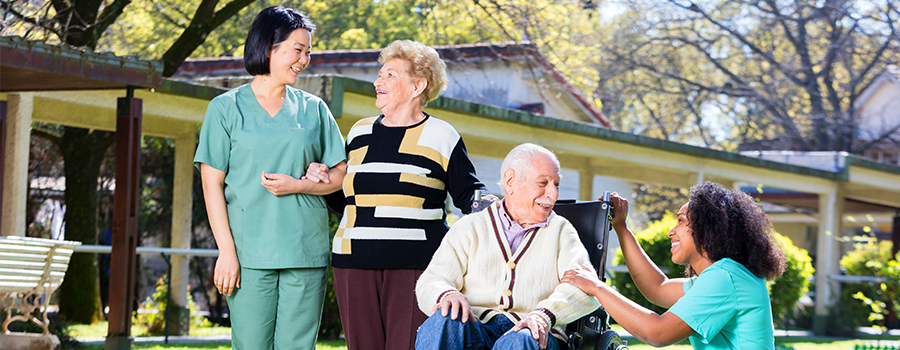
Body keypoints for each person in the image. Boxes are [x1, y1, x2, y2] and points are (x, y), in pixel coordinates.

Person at [304, 40, 489, 350]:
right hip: (353, 263)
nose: (378, 82)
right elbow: (348, 199)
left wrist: (498, 208)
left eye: (390, 75)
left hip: (415, 266)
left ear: (418, 85)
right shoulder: (360, 133)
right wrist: (320, 180)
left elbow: (469, 192)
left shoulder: (442, 135)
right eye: (380, 74)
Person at [193, 6, 346, 349]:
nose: (304, 59)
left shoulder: (314, 109)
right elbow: (211, 185)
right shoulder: (224, 109)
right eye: (297, 49)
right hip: (249, 255)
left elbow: (341, 175)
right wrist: (227, 252)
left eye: (308, 52)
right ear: (269, 46)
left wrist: (304, 183)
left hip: (305, 252)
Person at [414, 143, 601, 350]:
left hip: (530, 336)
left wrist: (543, 315)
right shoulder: (470, 227)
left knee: (520, 340)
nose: (553, 194)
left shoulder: (561, 231)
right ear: (511, 181)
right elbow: (432, 280)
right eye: (543, 183)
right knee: (444, 321)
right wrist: (447, 294)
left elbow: (586, 287)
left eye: (556, 184)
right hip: (476, 329)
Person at [561, 182, 787, 349]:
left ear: (708, 229)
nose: (671, 231)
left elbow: (657, 333)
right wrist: (621, 226)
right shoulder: (729, 275)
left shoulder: (725, 279)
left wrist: (596, 287)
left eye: (681, 221)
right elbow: (657, 288)